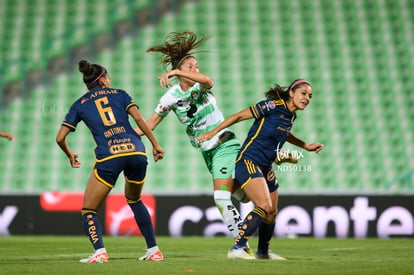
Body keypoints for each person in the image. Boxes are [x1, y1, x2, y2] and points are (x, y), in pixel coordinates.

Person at [141, 31, 297, 243]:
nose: (196, 69)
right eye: (191, 67)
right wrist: (125, 134)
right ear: (178, 72)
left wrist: (178, 70)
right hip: (208, 152)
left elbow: (207, 79)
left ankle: (241, 244)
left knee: (221, 197)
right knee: (247, 197)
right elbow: (149, 125)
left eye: (196, 66)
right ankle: (267, 170)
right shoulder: (169, 97)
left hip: (225, 143)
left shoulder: (201, 86)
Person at [198, 79, 324, 260]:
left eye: (310, 96)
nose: (307, 98)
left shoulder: (291, 116)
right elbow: (239, 116)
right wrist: (212, 133)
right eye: (303, 93)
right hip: (249, 161)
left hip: (265, 167)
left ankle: (263, 253)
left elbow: (284, 133)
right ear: (291, 93)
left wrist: (305, 146)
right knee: (264, 206)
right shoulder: (272, 106)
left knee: (272, 211)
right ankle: (237, 248)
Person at [56, 60, 165, 263]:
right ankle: (154, 250)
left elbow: (60, 138)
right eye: (109, 76)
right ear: (104, 80)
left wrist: (69, 153)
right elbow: (140, 120)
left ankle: (100, 253)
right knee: (134, 199)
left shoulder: (79, 104)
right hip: (136, 152)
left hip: (110, 156)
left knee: (88, 210)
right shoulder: (120, 94)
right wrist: (155, 145)